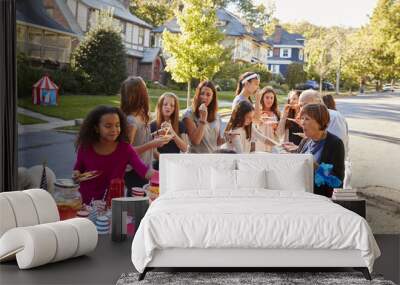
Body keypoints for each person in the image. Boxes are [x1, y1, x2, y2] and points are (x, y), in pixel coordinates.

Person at [73, 106, 153, 204]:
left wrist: (165, 177)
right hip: (86, 202)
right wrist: (76, 174)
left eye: (117, 125)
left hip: (113, 203)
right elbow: (78, 168)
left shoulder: (125, 149)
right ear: (96, 128)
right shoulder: (85, 147)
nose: (114, 129)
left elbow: (144, 171)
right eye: (108, 126)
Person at [283, 104, 345, 197]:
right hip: (301, 196)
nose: (302, 123)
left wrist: (315, 166)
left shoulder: (335, 143)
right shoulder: (305, 141)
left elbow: (337, 183)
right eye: (302, 118)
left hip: (322, 201)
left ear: (320, 122)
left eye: (307, 119)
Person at [120, 76, 171, 191]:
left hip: (145, 168)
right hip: (134, 172)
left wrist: (157, 134)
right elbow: (126, 152)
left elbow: (142, 138)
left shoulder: (142, 114)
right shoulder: (131, 121)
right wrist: (153, 144)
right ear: (141, 95)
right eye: (145, 89)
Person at [298, 90, 348, 156]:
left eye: (305, 104)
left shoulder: (334, 117)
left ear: (319, 102)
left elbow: (336, 148)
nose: (302, 109)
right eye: (300, 106)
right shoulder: (311, 119)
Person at [183, 80, 224, 153]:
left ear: (212, 97)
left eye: (208, 95)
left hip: (213, 159)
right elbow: (195, 141)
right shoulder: (189, 114)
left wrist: (227, 138)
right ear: (197, 94)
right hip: (196, 159)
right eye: (202, 93)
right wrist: (203, 119)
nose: (204, 97)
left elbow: (217, 142)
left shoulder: (217, 116)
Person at [150, 92, 188, 170]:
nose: (168, 107)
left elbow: (185, 148)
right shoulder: (152, 125)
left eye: (172, 105)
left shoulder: (180, 124)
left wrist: (172, 132)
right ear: (160, 106)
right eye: (165, 104)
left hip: (176, 165)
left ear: (175, 108)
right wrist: (166, 161)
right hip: (158, 165)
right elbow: (153, 151)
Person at [255, 86, 281, 152]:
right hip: (259, 145)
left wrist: (275, 127)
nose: (269, 100)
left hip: (273, 146)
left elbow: (279, 133)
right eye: (267, 97)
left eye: (272, 98)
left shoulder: (277, 113)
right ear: (262, 98)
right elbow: (254, 127)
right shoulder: (257, 112)